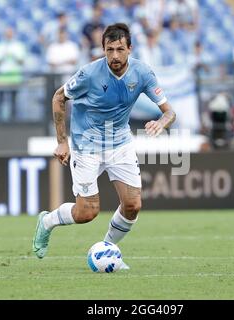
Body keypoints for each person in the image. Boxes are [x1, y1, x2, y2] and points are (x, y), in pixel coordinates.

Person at [32, 23, 176, 267]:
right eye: (109, 50)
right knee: (86, 213)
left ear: (130, 49)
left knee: (132, 205)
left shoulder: (143, 73)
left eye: (120, 49)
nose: (115, 56)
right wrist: (62, 142)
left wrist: (162, 122)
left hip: (119, 142)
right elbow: (59, 97)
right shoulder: (89, 74)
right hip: (86, 144)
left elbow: (169, 112)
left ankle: (107, 250)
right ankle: (47, 221)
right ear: (103, 49)